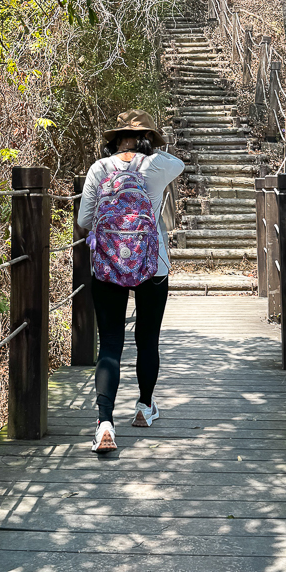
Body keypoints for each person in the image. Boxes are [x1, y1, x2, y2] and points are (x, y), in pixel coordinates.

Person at [77, 110, 185, 453]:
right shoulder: (155, 166)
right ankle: (143, 407)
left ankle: (105, 422)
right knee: (147, 338)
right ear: (148, 138)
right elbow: (178, 163)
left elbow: (84, 220)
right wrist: (152, 149)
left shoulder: (99, 168)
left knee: (109, 343)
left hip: (108, 266)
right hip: (153, 265)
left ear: (114, 137)